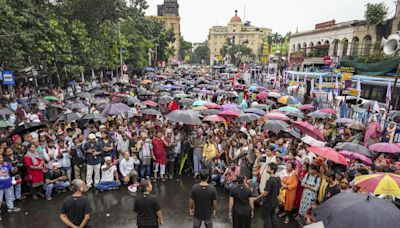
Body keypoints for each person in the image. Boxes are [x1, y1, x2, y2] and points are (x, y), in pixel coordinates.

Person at [254, 162, 281, 228]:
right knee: (273, 215)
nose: (267, 169)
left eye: (268, 168)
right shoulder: (278, 178)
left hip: (268, 202)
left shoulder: (270, 180)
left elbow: (265, 193)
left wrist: (256, 198)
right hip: (275, 201)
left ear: (272, 170)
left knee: (267, 217)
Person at [0, 154, 21, 220]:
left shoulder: (7, 163)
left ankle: (11, 207)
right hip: (0, 186)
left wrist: (15, 169)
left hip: (8, 183)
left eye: (1, 158)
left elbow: (12, 171)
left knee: (9, 196)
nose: (1, 159)